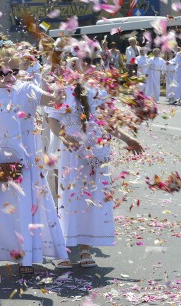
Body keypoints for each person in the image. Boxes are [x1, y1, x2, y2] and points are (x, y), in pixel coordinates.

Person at [0, 45, 68, 278]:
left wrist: (59, 88)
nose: (8, 77)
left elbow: (52, 100)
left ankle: (27, 256)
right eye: (2, 72)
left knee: (24, 207)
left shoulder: (28, 90)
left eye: (13, 71)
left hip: (25, 161)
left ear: (19, 71)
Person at [48, 48, 144, 269]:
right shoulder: (64, 90)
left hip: (95, 153)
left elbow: (107, 122)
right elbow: (52, 120)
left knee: (91, 199)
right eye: (86, 60)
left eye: (95, 60)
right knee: (71, 198)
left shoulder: (100, 91)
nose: (91, 64)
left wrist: (127, 138)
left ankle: (84, 249)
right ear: (76, 64)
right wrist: (66, 137)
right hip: (73, 155)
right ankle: (63, 246)